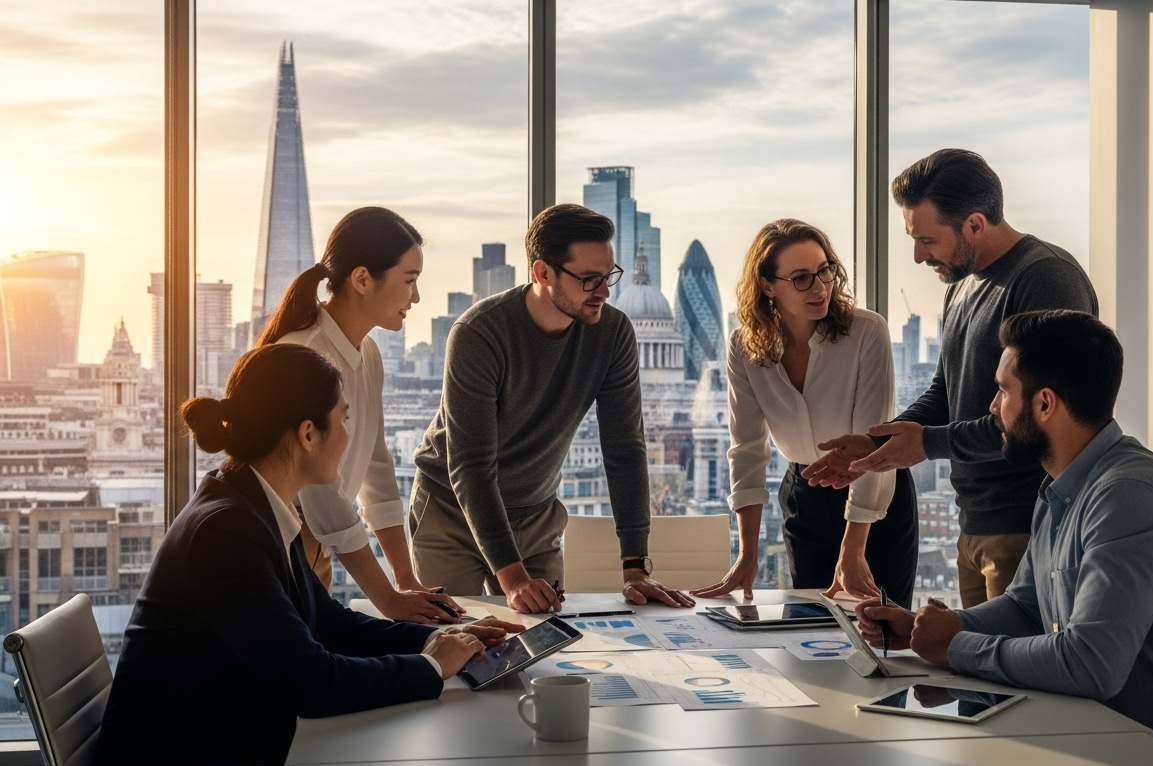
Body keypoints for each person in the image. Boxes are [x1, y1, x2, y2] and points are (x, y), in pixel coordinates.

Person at [95, 344, 524, 766]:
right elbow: (313, 684)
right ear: (307, 434)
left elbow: (328, 622)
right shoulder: (225, 533)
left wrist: (439, 639)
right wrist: (432, 667)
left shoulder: (252, 504)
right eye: (343, 417)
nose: (348, 433)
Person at [855, 311, 1153, 755]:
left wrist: (957, 647)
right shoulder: (1063, 487)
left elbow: (1091, 665)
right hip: (1107, 734)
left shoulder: (1127, 498)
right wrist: (930, 629)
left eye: (1003, 390)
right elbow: (1028, 607)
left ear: (1044, 404)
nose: (992, 407)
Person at [804, 149, 1099, 607]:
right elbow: (945, 392)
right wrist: (878, 443)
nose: (919, 256)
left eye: (927, 240)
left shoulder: (1046, 280)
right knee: (975, 669)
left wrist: (925, 444)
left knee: (1017, 672)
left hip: (1030, 525)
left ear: (975, 225)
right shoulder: (962, 286)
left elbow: (1040, 420)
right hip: (975, 525)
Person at [410, 203, 693, 614]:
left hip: (536, 514)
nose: (605, 290)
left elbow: (625, 448)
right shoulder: (479, 333)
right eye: (590, 279)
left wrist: (635, 568)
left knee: (549, 639)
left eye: (609, 276)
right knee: (456, 639)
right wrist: (514, 579)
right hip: (451, 512)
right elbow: (470, 466)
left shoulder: (611, 332)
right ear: (543, 273)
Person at [693, 219, 918, 606]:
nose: (820, 287)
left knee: (882, 636)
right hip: (804, 497)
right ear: (767, 286)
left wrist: (854, 547)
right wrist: (748, 555)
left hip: (874, 497)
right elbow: (747, 450)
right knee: (812, 631)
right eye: (801, 278)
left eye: (824, 271)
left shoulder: (867, 332)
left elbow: (874, 443)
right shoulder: (743, 347)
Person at [256, 206, 459, 625]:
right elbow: (323, 496)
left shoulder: (367, 354)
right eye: (410, 281)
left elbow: (376, 467)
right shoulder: (307, 355)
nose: (415, 298)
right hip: (281, 546)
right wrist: (387, 598)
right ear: (363, 279)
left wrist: (406, 579)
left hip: (317, 547)